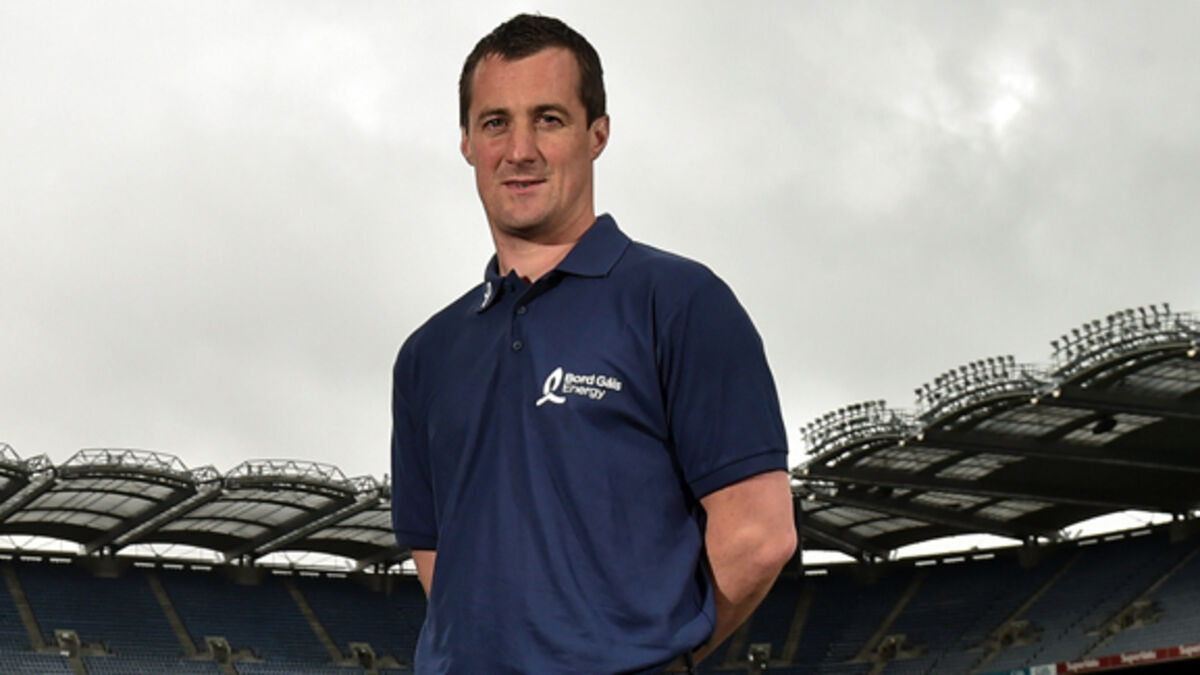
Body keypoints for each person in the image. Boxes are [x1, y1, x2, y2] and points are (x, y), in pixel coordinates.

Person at [391, 13, 796, 673]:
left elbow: (760, 533)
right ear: (466, 142)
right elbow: (439, 556)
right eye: (495, 123)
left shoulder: (680, 301)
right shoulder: (427, 354)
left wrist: (653, 659)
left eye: (548, 119)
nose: (520, 150)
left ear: (597, 134)